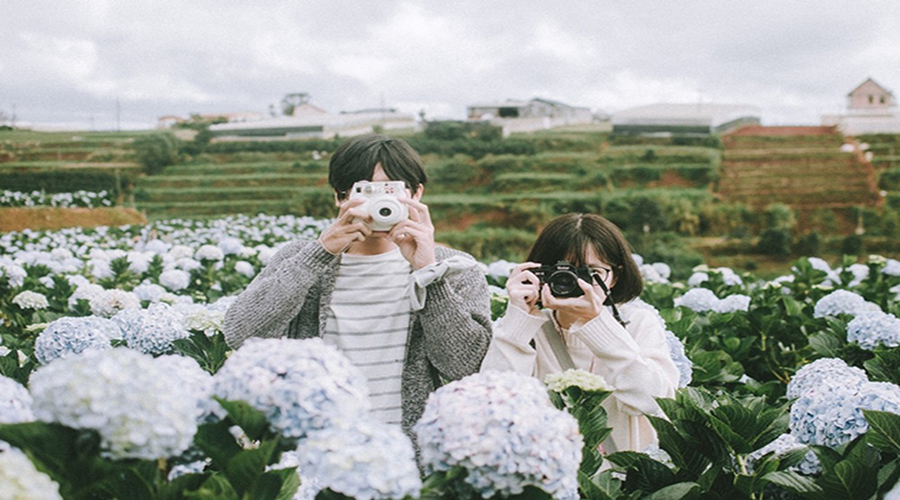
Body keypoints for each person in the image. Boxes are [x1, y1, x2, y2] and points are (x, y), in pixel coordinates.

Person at [224, 134, 493, 442]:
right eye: (366, 190)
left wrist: (429, 273)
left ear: (417, 194)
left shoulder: (455, 267)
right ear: (341, 196)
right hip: (313, 451)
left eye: (390, 190)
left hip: (409, 456)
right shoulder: (299, 259)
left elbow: (466, 365)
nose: (380, 203)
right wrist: (320, 252)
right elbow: (240, 335)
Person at [481, 213, 678, 454]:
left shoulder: (638, 324)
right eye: (562, 272)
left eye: (592, 272)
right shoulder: (526, 326)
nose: (575, 283)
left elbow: (652, 402)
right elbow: (493, 404)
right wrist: (517, 318)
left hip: (622, 481)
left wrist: (596, 322)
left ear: (614, 276)